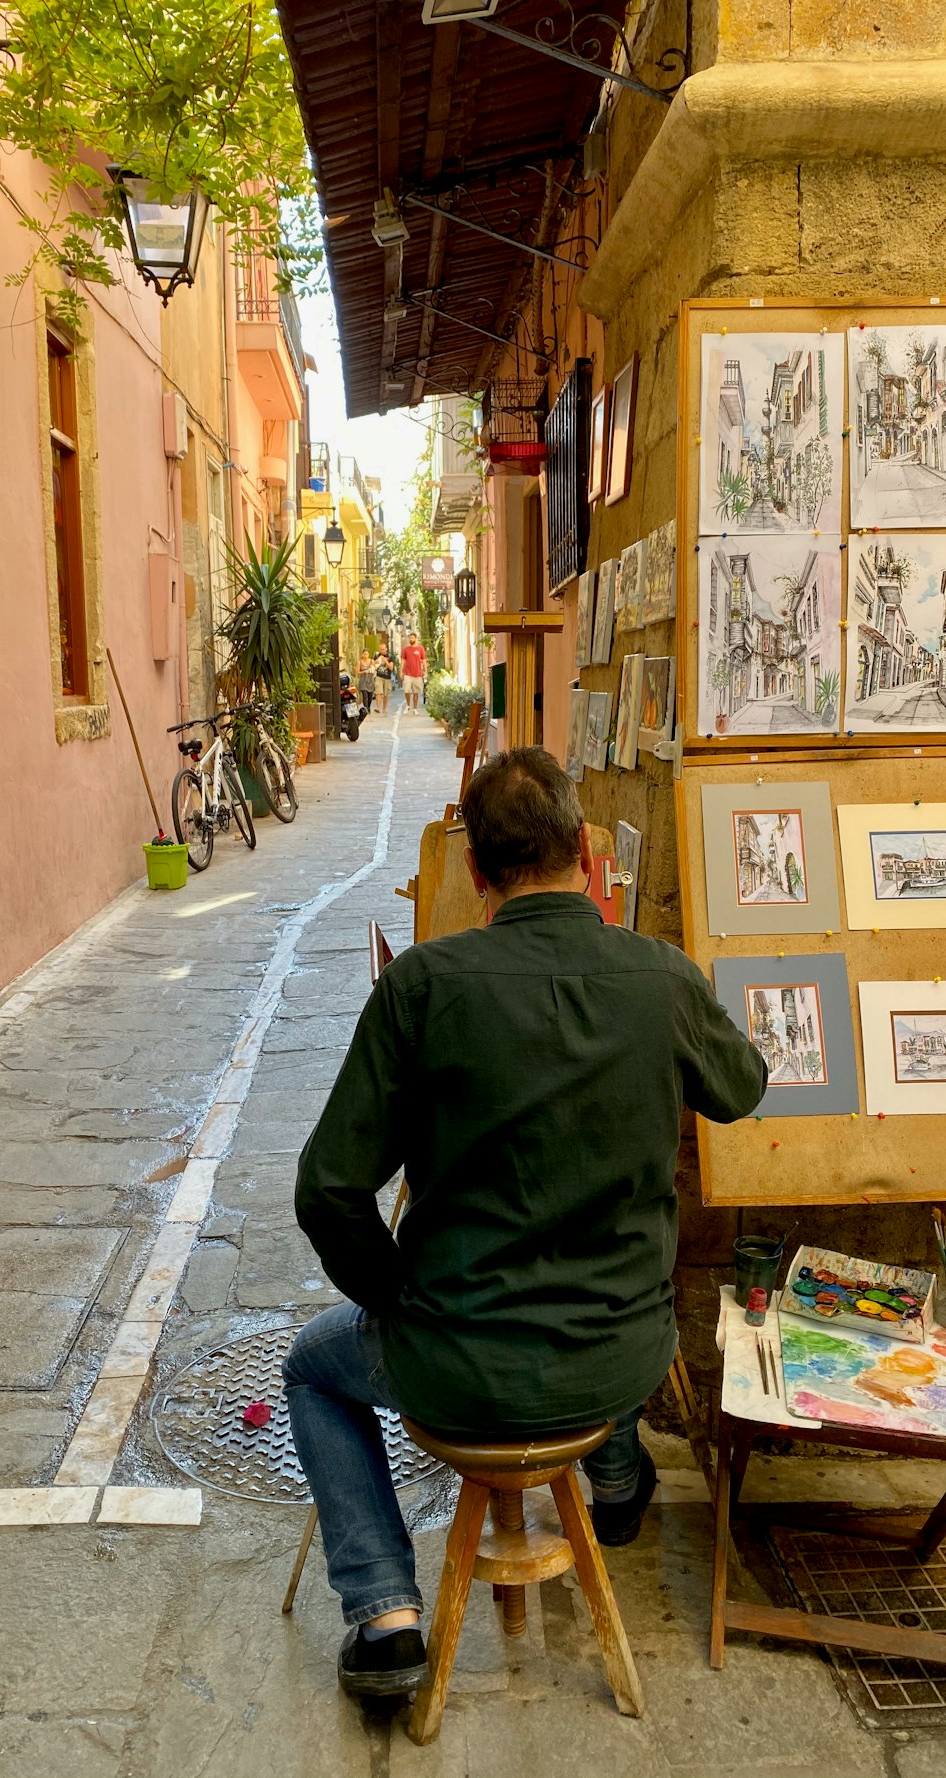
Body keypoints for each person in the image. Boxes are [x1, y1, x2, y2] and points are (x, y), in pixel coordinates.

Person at [284, 747, 767, 1701]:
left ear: (473, 872)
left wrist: (396, 1300)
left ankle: (385, 1615)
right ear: (585, 851)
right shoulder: (660, 979)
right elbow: (743, 1086)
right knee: (609, 1265)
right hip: (617, 1352)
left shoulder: (419, 989)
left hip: (454, 1358)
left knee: (310, 1367)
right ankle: (619, 1477)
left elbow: (326, 1191)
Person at [400, 630, 427, 714]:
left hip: (417, 674)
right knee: (407, 691)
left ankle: (415, 709)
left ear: (416, 639)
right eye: (410, 638)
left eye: (412, 638)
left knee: (416, 692)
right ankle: (408, 705)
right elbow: (403, 661)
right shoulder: (406, 649)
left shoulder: (420, 648)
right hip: (407, 673)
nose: (411, 639)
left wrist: (426, 672)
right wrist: (401, 671)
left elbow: (424, 660)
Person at [374, 645, 393, 715]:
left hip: (387, 677)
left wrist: (386, 661)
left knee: (386, 694)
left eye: (383, 649)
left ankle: (384, 708)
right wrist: (377, 660)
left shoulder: (390, 656)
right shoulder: (376, 655)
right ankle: (378, 708)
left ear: (386, 649)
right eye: (381, 649)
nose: (382, 651)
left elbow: (391, 668)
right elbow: (373, 665)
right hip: (379, 676)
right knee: (378, 692)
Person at [357, 648, 376, 714]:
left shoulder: (372, 661)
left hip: (370, 681)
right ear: (362, 655)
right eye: (364, 654)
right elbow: (357, 672)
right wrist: (364, 671)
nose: (365, 655)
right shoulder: (359, 662)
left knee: (370, 696)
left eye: (367, 654)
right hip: (363, 681)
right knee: (365, 696)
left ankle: (368, 707)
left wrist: (372, 670)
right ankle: (366, 710)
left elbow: (374, 669)